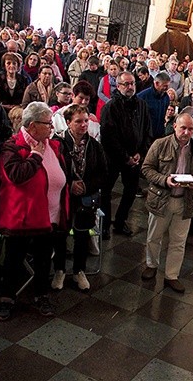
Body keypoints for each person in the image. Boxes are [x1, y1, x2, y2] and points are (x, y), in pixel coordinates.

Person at [0, 102, 69, 320]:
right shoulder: (12, 146)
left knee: (43, 259)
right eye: (48, 124)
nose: (51, 128)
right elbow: (16, 176)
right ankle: (6, 299)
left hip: (49, 215)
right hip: (23, 217)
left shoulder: (53, 145)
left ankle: (41, 295)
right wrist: (35, 156)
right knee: (13, 260)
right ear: (32, 125)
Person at [141, 113, 193, 293]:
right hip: (162, 198)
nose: (186, 132)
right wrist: (164, 180)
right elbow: (146, 168)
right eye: (183, 128)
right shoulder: (160, 144)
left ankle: (172, 275)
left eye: (191, 129)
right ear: (175, 126)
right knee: (154, 237)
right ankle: (151, 265)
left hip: (184, 201)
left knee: (178, 242)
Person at [51, 104, 107, 292]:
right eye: (78, 121)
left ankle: (79, 271)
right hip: (63, 195)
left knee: (82, 234)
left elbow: (102, 173)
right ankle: (59, 269)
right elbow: (52, 169)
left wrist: (85, 187)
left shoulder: (95, 145)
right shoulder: (58, 143)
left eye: (86, 121)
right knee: (60, 234)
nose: (84, 125)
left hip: (86, 197)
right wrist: (69, 184)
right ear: (68, 122)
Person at [100, 71, 151, 239]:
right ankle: (105, 224)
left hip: (135, 157)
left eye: (132, 84)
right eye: (126, 84)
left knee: (130, 192)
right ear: (119, 86)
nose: (130, 87)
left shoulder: (141, 104)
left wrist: (140, 153)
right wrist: (125, 157)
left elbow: (146, 130)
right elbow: (108, 136)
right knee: (106, 192)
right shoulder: (111, 106)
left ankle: (120, 221)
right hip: (114, 157)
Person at [137, 72, 171, 140]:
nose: (167, 88)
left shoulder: (166, 97)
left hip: (159, 134)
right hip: (144, 135)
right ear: (156, 83)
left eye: (168, 86)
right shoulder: (142, 97)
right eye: (164, 86)